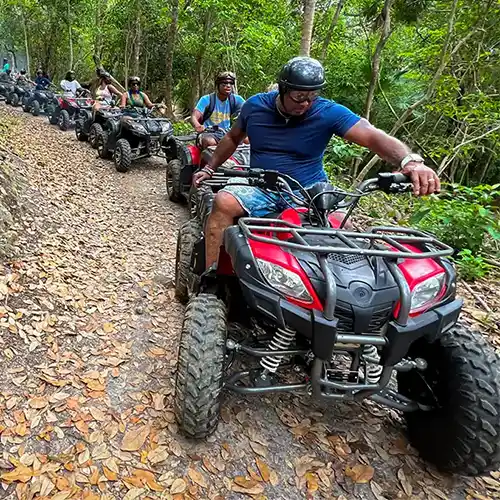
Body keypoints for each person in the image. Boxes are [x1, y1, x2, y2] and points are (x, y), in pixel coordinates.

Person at [193, 56, 442, 270]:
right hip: (261, 186)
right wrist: (210, 168)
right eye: (299, 96)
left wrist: (409, 160)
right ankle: (211, 276)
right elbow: (233, 137)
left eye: (312, 96)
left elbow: (372, 135)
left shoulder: (327, 112)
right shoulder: (255, 106)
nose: (306, 103)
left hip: (310, 191)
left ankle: (337, 293)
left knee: (344, 228)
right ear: (283, 90)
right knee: (223, 202)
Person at [191, 71, 245, 148]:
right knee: (210, 142)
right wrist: (197, 125)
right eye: (224, 83)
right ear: (218, 85)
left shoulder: (236, 99)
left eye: (231, 83)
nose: (228, 85)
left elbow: (250, 110)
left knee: (248, 139)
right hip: (209, 133)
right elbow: (194, 116)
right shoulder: (207, 99)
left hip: (227, 132)